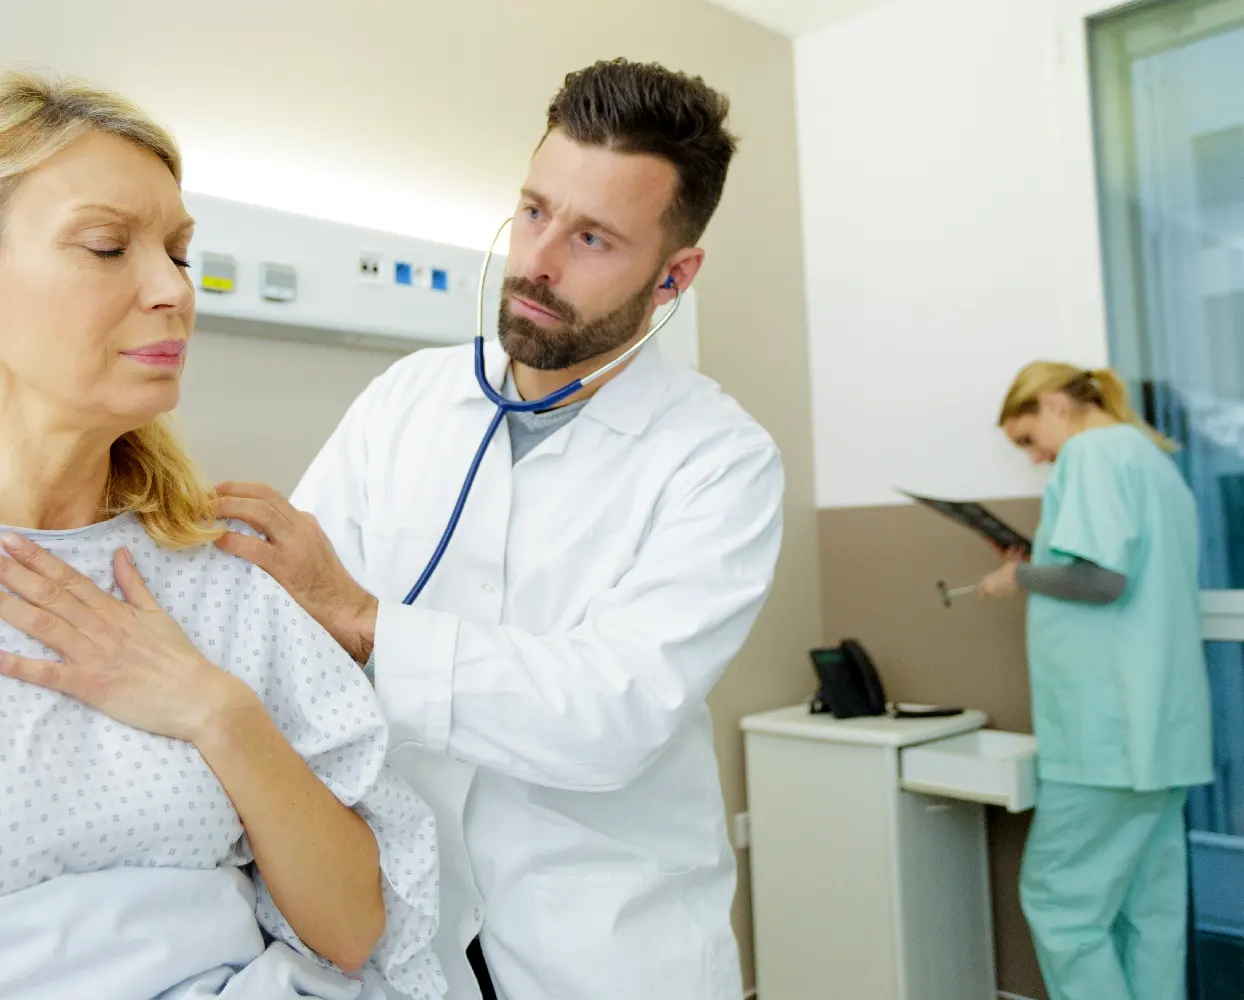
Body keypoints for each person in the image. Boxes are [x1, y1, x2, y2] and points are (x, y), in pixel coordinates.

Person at [213, 59, 784, 1000]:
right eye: (533, 211)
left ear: (674, 273)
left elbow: (615, 714)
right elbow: (285, 630)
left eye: (594, 237)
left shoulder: (720, 462)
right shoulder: (408, 398)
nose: (539, 262)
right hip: (402, 933)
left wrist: (364, 619)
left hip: (602, 951)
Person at [0, 70, 443, 1000]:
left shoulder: (224, 577)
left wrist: (215, 708)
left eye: (179, 252)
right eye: (108, 245)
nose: (172, 289)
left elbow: (356, 928)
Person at [977, 361, 1213, 1000]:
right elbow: (1113, 572)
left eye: (1028, 439)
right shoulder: (1152, 461)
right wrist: (1041, 563)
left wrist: (1018, 578)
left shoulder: (1092, 454)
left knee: (1062, 905)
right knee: (1151, 913)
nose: (1033, 459)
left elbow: (1103, 581)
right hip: (1163, 736)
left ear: (1054, 403)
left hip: (1106, 739)